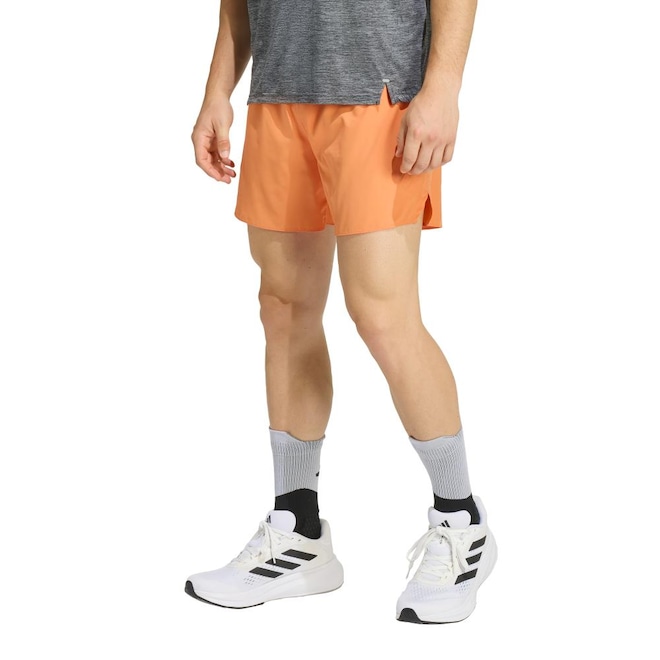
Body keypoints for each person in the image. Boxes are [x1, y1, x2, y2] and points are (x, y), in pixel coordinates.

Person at [185, 0, 496, 624]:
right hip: (278, 92)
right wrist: (217, 91)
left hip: (379, 91)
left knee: (383, 315)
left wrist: (443, 88)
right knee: (283, 308)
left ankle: (462, 522)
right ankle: (298, 530)